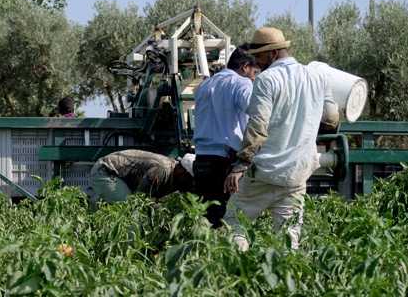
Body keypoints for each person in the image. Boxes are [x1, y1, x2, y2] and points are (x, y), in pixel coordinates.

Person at [223, 27, 339, 251]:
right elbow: (332, 119)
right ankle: (285, 283)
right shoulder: (318, 77)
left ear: (273, 54)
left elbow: (257, 126)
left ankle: (237, 275)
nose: (257, 62)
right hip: (296, 176)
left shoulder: (266, 80)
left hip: (264, 173)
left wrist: (240, 167)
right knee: (288, 241)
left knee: (234, 222)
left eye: (259, 56)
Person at [192, 43, 260, 229]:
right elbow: (256, 111)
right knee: (229, 219)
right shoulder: (241, 83)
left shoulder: (205, 85)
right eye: (254, 73)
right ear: (245, 67)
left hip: (202, 159)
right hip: (225, 161)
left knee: (205, 219)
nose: (254, 79)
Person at [88, 150, 195, 202]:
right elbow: (138, 199)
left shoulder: (176, 175)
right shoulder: (160, 171)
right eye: (190, 179)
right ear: (184, 174)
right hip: (106, 171)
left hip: (122, 176)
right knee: (131, 211)